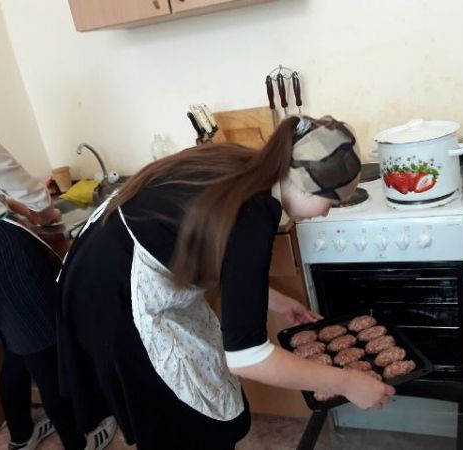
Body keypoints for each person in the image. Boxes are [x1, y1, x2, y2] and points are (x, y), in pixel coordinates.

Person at [57, 115, 396, 450]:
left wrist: (272, 299)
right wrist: (346, 382)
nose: (324, 214)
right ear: (304, 183)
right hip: (113, 297)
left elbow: (213, 252)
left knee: (214, 414)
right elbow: (247, 357)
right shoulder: (254, 211)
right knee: (183, 424)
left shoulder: (249, 167)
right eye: (330, 203)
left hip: (111, 267)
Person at [0, 128, 116, 450]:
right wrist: (41, 206)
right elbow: (2, 168)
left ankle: (21, 434)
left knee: (15, 348)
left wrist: (19, 207)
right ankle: (79, 438)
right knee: (45, 350)